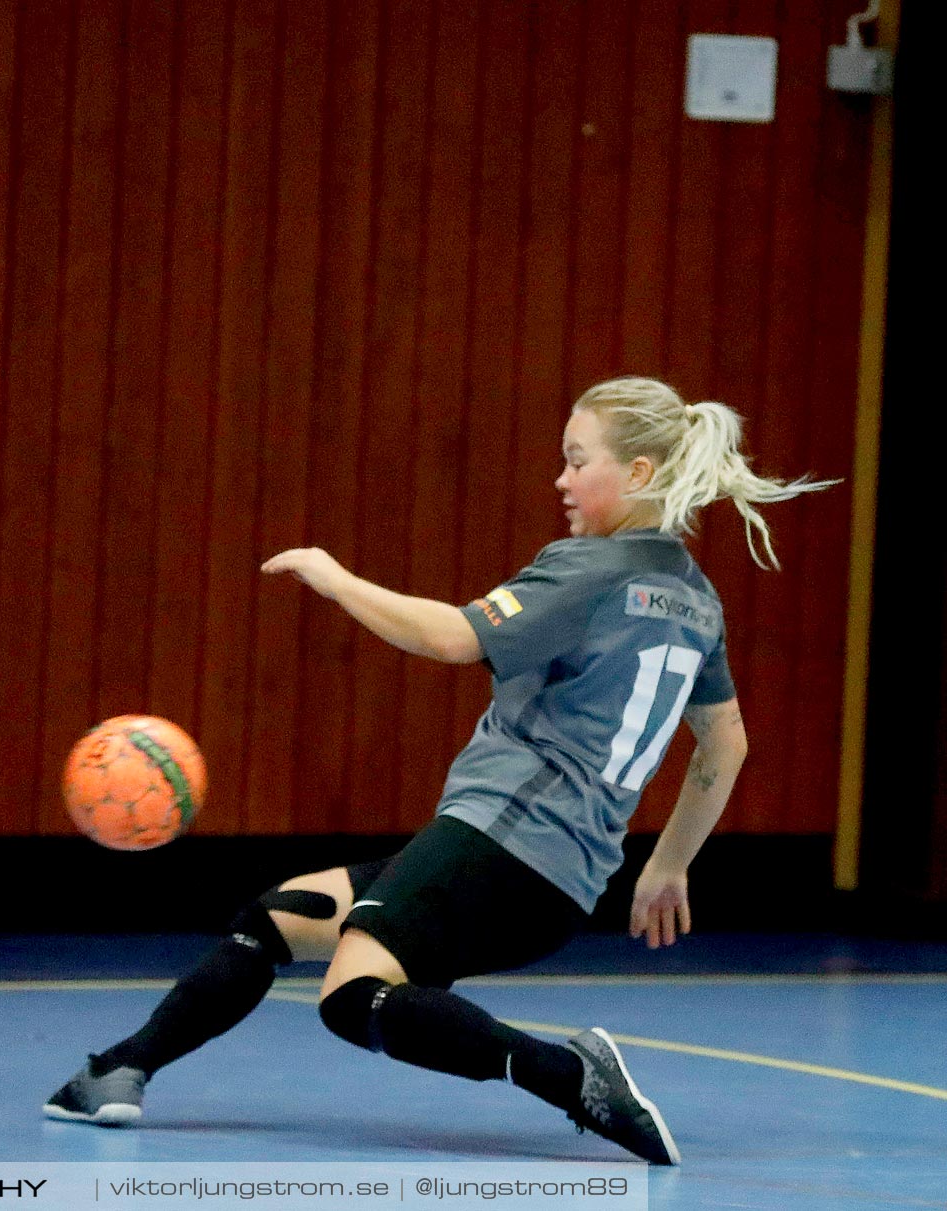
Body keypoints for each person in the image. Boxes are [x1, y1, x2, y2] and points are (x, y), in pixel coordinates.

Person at [45, 377, 833, 1166]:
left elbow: (456, 636)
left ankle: (572, 1076)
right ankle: (119, 1069)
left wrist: (338, 578)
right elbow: (725, 743)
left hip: (503, 840)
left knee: (353, 996)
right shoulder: (696, 600)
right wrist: (668, 864)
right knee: (280, 915)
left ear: (637, 474)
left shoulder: (592, 569)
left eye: (575, 459)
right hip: (558, 877)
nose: (559, 479)